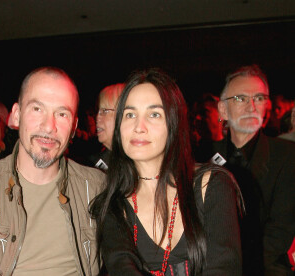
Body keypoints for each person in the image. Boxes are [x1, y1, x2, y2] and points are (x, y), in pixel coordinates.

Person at [90, 68, 243, 276]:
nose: (139, 126)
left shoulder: (212, 185)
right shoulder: (113, 205)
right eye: (130, 114)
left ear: (173, 123)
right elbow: (121, 266)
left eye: (154, 114)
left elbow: (225, 267)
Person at [0, 67, 105, 275]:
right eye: (37, 109)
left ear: (73, 127)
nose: (49, 126)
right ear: (16, 116)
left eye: (62, 114)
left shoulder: (98, 189)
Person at [198, 64, 295, 275]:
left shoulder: (287, 155)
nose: (251, 106)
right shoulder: (202, 158)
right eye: (241, 98)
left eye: (259, 98)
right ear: (223, 109)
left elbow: (280, 231)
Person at [91, 83, 125, 171]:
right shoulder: (94, 165)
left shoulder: (146, 165)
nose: (97, 117)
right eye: (98, 111)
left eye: (105, 111)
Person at [190, 93, 225, 162]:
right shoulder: (192, 151)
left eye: (204, 113)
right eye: (196, 114)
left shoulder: (232, 149)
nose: (197, 118)